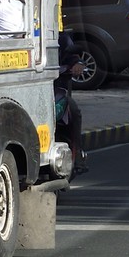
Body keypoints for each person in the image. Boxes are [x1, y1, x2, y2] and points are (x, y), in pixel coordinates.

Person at [54, 31, 87, 175]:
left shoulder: (62, 39)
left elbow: (73, 58)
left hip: (56, 92)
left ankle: (77, 155)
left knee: (73, 111)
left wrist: (77, 64)